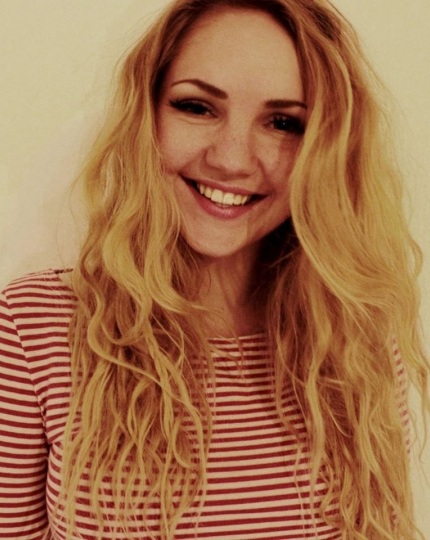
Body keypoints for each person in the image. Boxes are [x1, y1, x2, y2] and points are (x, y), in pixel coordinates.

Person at [0, 0, 428, 538]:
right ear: (146, 116)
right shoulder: (33, 326)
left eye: (283, 123)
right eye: (197, 107)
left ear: (326, 149)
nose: (231, 159)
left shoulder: (357, 334)